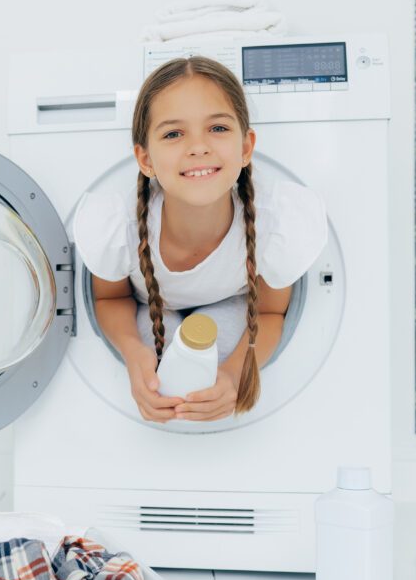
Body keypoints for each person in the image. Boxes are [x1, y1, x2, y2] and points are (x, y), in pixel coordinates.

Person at [72, 56, 326, 423]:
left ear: (245, 147)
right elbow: (109, 298)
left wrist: (234, 374)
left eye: (218, 129)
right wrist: (132, 353)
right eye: (174, 134)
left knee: (212, 338)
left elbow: (270, 312)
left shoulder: (277, 221)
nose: (198, 147)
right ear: (145, 159)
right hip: (154, 315)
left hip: (233, 308)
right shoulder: (120, 225)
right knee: (161, 344)